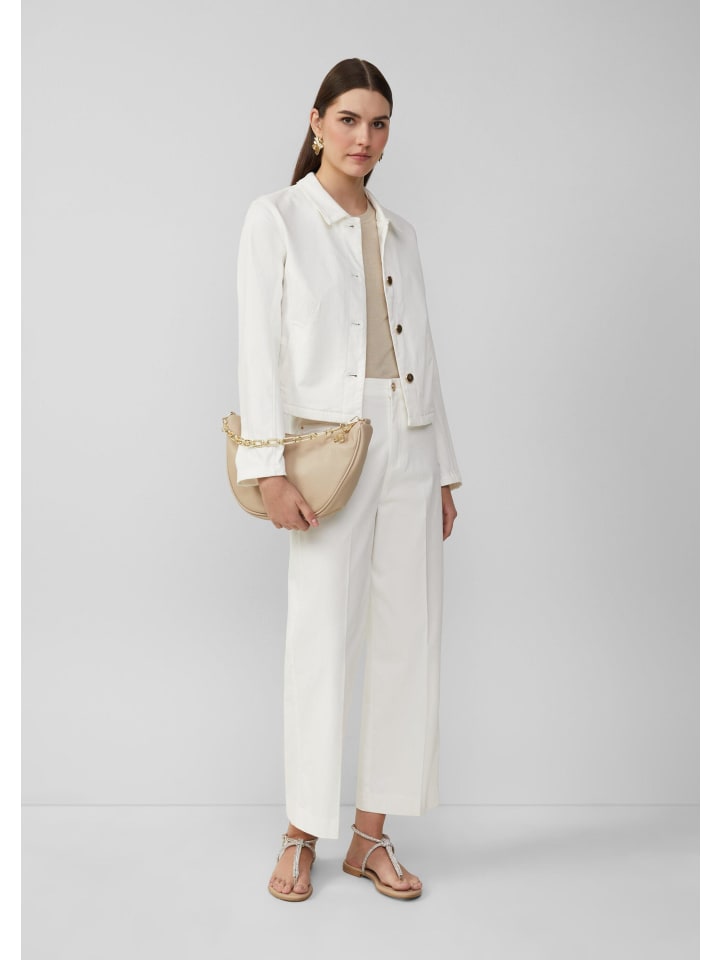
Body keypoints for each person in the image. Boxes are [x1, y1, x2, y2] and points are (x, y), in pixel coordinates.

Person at [234, 58, 462, 902]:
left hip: (410, 441)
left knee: (409, 643)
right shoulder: (277, 218)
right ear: (317, 122)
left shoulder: (401, 233)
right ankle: (301, 832)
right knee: (321, 640)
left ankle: (371, 837)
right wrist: (268, 467)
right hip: (328, 446)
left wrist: (444, 470)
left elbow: (423, 353)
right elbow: (259, 349)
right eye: (350, 120)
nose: (365, 138)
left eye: (379, 123)